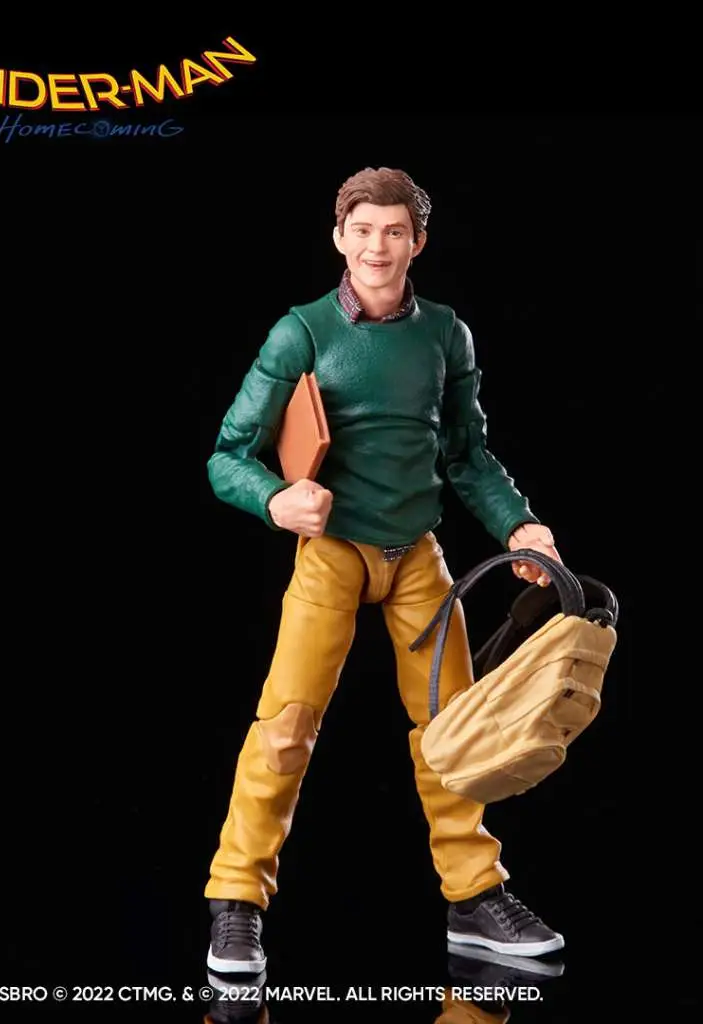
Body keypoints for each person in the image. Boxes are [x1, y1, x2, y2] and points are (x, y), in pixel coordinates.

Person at [203, 167, 565, 973]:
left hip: (419, 559)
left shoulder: (445, 334)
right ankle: (236, 900)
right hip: (332, 557)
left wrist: (522, 524)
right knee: (286, 725)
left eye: (394, 231)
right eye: (363, 230)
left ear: (417, 242)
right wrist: (274, 500)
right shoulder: (300, 333)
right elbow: (227, 455)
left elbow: (468, 455)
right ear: (339, 236)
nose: (377, 246)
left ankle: (474, 895)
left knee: (455, 730)